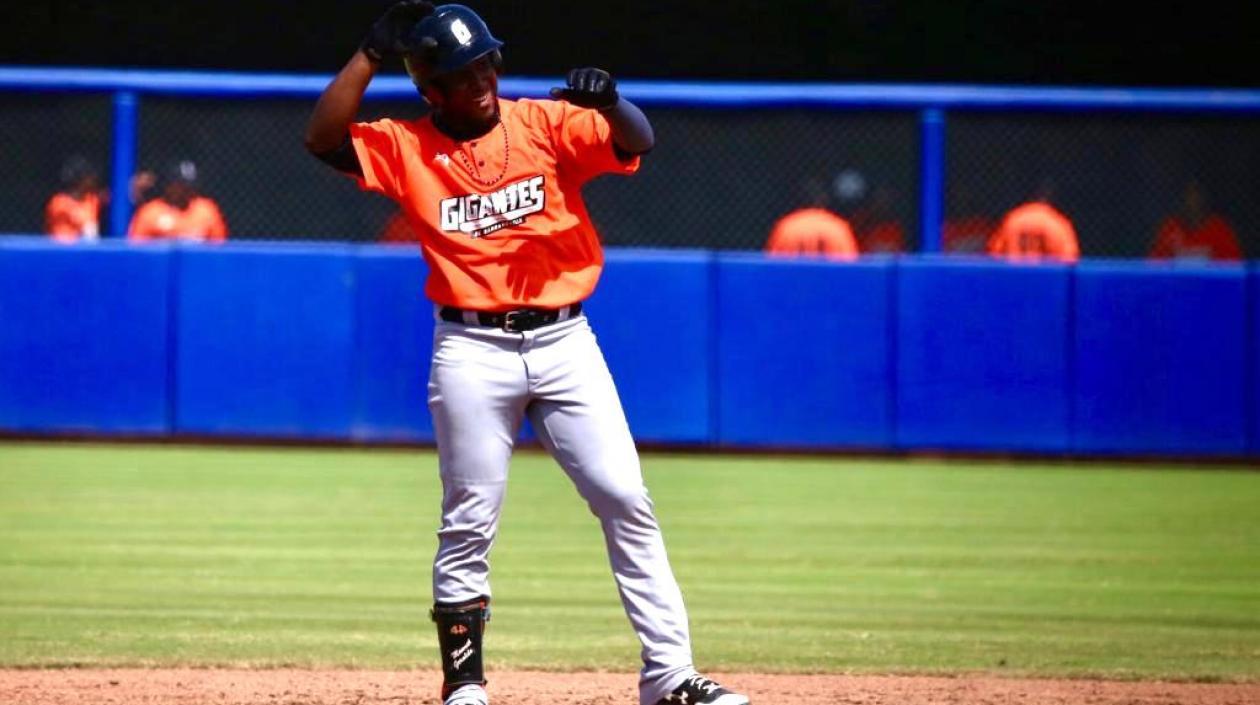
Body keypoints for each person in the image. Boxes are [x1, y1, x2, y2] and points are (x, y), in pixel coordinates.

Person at [303, 4, 749, 705]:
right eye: (459, 71)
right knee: (469, 515)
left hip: (566, 338)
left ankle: (669, 676)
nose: (479, 78)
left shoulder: (543, 121)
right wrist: (367, 53)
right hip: (471, 346)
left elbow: (640, 140)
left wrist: (613, 101)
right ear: (430, 87)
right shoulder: (407, 144)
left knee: (624, 495)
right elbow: (323, 136)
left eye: (484, 62)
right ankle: (465, 686)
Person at [127, 160, 228, 242]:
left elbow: (218, 247)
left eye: (190, 186)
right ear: (169, 186)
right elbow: (136, 248)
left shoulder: (206, 209)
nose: (187, 190)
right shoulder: (151, 212)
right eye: (181, 186)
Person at [764, 175, 858, 260]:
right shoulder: (838, 228)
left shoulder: (786, 227)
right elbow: (849, 272)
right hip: (829, 279)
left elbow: (773, 269)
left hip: (794, 278)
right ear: (825, 199)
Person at [987, 180, 1079, 263]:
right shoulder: (1057, 223)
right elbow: (1069, 259)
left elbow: (994, 255)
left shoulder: (1013, 219)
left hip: (1014, 278)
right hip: (1046, 279)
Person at [1149, 180, 1242, 261]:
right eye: (1189, 194)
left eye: (1196, 194)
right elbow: (1155, 264)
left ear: (1205, 198)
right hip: (1176, 281)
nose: (1193, 199)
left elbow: (1233, 265)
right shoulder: (1171, 227)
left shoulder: (1219, 228)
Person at [45, 155, 103, 243]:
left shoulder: (91, 199)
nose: (94, 180)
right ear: (81, 180)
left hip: (87, 251)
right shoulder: (59, 202)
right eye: (90, 177)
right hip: (63, 250)